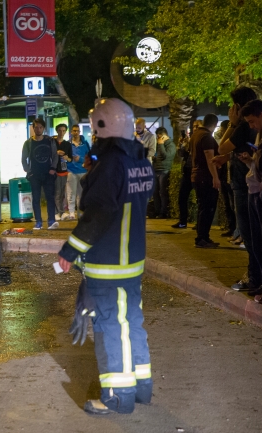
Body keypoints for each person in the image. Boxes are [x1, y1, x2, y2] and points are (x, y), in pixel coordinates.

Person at [58, 98, 154, 415]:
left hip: (108, 265)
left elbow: (98, 213)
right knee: (131, 325)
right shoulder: (140, 160)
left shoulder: (110, 165)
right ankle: (140, 387)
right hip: (132, 262)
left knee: (111, 329)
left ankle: (116, 397)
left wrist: (70, 251)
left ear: (101, 126)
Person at [212, 87, 259, 291]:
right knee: (253, 232)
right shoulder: (254, 125)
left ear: (238, 107)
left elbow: (222, 146)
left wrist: (231, 124)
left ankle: (254, 276)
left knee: (249, 233)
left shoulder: (242, 126)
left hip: (246, 186)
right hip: (249, 183)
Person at [239, 100, 262, 297]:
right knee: (259, 241)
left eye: (252, 121)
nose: (251, 126)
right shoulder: (261, 134)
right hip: (257, 188)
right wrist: (252, 162)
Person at [21, 117, 59, 230]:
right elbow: (24, 159)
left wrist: (53, 168)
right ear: (33, 128)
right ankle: (38, 222)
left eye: (40, 127)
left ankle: (51, 221)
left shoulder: (49, 141)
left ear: (43, 128)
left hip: (48, 173)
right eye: (36, 127)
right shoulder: (28, 143)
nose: (38, 129)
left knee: (50, 198)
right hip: (35, 175)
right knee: (36, 199)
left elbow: (55, 155)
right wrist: (28, 171)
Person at [191, 114, 221, 248]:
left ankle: (203, 237)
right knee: (208, 207)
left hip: (197, 175)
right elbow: (210, 158)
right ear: (214, 125)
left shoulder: (196, 135)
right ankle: (202, 237)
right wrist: (215, 177)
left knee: (203, 207)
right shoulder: (207, 137)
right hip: (205, 177)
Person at [214, 120, 237, 238]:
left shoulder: (234, 141)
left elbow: (221, 149)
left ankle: (237, 232)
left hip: (233, 178)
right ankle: (232, 228)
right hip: (226, 177)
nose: (222, 132)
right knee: (229, 205)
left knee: (235, 206)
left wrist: (231, 126)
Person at [63, 124, 90, 220]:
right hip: (71, 171)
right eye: (74, 131)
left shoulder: (85, 144)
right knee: (71, 192)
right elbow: (64, 157)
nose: (76, 133)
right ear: (71, 132)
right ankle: (71, 212)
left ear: (80, 132)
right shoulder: (67, 144)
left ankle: (80, 212)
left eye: (77, 131)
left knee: (81, 193)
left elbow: (89, 158)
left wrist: (80, 159)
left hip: (82, 171)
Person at [172, 126, 195, 229]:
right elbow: (181, 155)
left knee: (200, 199)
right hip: (186, 171)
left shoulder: (199, 140)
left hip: (195, 171)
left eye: (197, 126)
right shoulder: (188, 141)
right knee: (182, 197)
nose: (194, 129)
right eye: (193, 127)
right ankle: (183, 221)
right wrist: (180, 144)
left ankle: (200, 223)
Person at [151, 127, 176, 218]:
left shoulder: (171, 145)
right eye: (157, 137)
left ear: (164, 136)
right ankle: (157, 211)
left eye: (159, 136)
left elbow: (166, 156)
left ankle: (163, 212)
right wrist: (154, 157)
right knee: (155, 192)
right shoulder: (159, 144)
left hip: (164, 170)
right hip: (156, 169)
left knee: (163, 192)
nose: (158, 138)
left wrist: (161, 145)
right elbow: (158, 154)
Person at [53, 123, 72, 221]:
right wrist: (56, 153)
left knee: (62, 193)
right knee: (57, 192)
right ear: (57, 131)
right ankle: (58, 212)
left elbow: (70, 158)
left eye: (64, 130)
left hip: (64, 171)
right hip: (54, 170)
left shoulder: (67, 144)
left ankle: (61, 212)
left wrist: (66, 157)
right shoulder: (53, 142)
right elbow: (48, 153)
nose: (62, 132)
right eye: (60, 130)